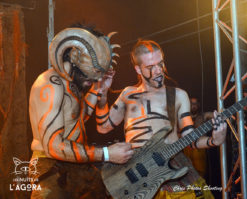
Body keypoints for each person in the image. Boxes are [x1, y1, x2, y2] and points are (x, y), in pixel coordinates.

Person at [96, 39, 227, 198]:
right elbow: (103, 127)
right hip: (134, 176)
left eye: (160, 64)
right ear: (138, 69)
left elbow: (190, 139)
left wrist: (214, 141)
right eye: (151, 67)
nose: (158, 71)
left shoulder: (178, 95)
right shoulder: (127, 94)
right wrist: (102, 97)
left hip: (170, 170)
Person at [28, 26, 133, 199]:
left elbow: (77, 119)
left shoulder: (72, 86)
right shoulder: (51, 84)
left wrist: (98, 90)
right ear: (76, 60)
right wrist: (107, 153)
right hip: (50, 165)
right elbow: (53, 147)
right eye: (90, 78)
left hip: (75, 164)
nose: (93, 81)